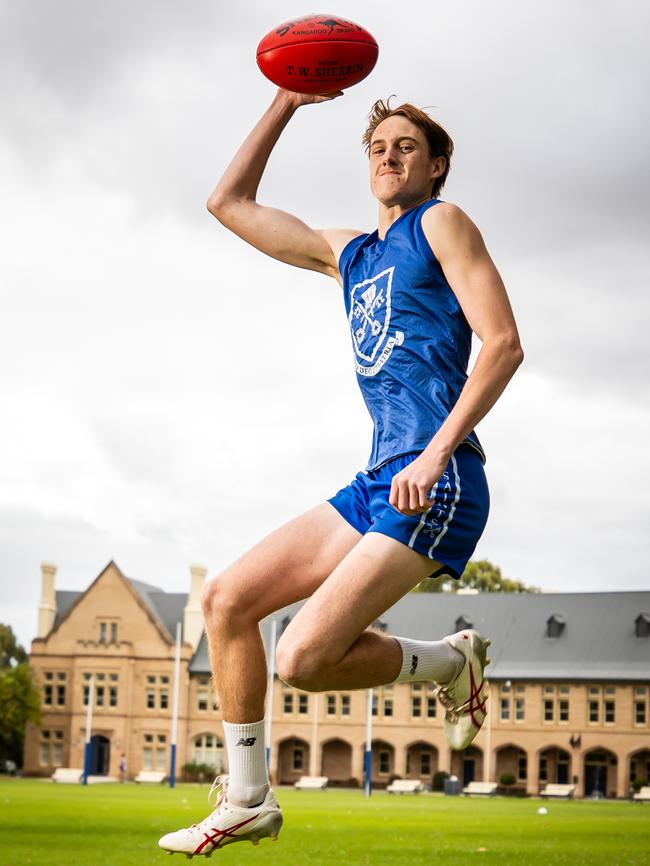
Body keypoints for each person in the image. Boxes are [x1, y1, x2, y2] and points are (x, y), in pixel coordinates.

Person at [158, 89, 523, 856]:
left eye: (406, 147)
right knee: (227, 601)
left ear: (436, 166)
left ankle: (447, 664)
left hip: (440, 474)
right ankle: (248, 796)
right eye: (377, 148)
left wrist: (434, 453)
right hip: (377, 479)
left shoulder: (442, 224)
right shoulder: (348, 254)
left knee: (301, 659)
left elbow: (502, 345)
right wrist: (287, 98)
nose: (389, 156)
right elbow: (227, 201)